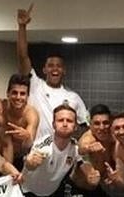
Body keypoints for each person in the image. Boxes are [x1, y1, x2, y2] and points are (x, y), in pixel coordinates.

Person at [16, 3, 88, 141]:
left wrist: (76, 145)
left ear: (64, 70)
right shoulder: (35, 86)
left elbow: (85, 126)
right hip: (36, 151)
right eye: (51, 65)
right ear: (44, 69)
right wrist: (22, 27)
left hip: (63, 154)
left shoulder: (73, 97)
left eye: (59, 66)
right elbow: (22, 57)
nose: (55, 69)